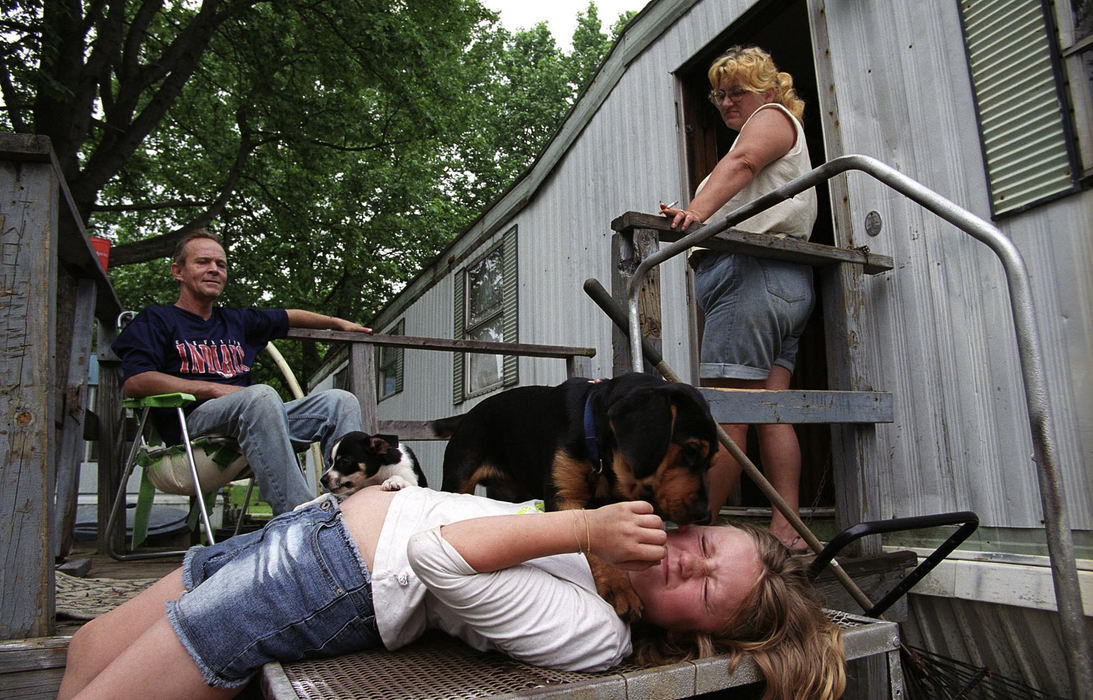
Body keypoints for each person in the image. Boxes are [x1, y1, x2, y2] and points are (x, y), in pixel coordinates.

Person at [58, 485, 846, 700]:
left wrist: (581, 529)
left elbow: (438, 556)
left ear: (691, 633)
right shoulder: (610, 545)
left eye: (708, 593)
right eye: (706, 548)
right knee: (88, 648)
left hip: (321, 581)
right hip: (300, 532)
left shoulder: (597, 632)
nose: (686, 566)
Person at [661, 46, 816, 551]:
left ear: (769, 93)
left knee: (724, 413)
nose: (726, 102)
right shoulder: (770, 131)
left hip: (752, 278)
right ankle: (786, 530)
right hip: (784, 282)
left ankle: (695, 531)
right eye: (719, 94)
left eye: (738, 92)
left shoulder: (772, 119)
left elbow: (744, 162)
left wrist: (690, 217)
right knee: (772, 407)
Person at [112, 229, 371, 514]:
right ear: (178, 271)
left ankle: (352, 508)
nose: (214, 269)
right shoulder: (157, 319)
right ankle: (302, 517)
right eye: (203, 262)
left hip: (256, 421)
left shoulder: (237, 320)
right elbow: (136, 382)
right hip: (194, 427)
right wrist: (209, 388)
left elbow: (290, 316)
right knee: (259, 396)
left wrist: (337, 323)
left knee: (340, 401)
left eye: (220, 265)